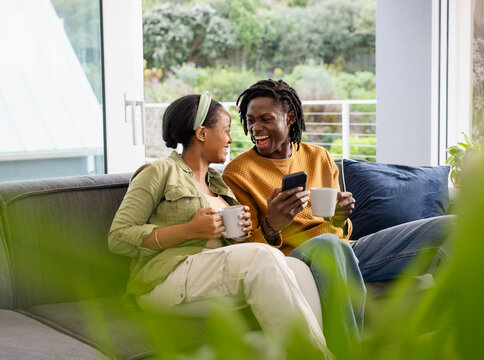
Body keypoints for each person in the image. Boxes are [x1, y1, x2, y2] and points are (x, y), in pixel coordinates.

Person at [107, 92, 352, 358]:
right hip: (165, 278)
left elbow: (233, 250)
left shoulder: (219, 184)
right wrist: (189, 230)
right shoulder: (158, 171)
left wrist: (241, 233)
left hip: (209, 275)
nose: (231, 139)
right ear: (201, 133)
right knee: (261, 257)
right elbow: (118, 237)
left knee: (298, 268)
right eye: (225, 130)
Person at [222, 79, 452, 300]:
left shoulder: (318, 156)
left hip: (346, 253)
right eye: (251, 120)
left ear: (290, 117)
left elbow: (341, 231)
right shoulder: (238, 173)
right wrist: (273, 225)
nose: (255, 128)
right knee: (328, 245)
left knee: (450, 226)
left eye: (265, 119)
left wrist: (341, 218)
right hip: (296, 262)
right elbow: (245, 254)